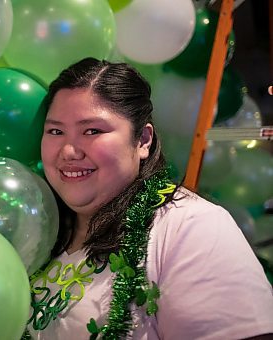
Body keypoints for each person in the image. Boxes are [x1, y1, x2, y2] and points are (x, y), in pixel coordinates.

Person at [26, 58, 273, 339]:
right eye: (55, 131)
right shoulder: (38, 230)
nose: (69, 151)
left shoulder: (190, 226)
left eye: (92, 131)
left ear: (142, 140)